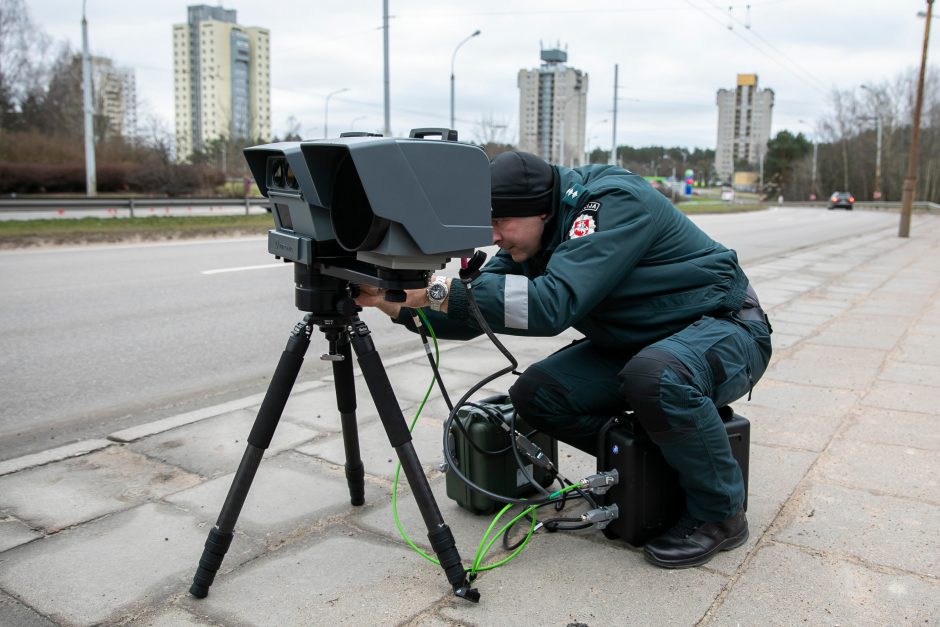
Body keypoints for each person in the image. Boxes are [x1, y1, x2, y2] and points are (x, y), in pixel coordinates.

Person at [355, 151, 772, 569]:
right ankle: (662, 463)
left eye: (501, 222)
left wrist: (435, 290)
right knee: (538, 395)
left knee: (658, 377)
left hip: (724, 331)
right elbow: (478, 308)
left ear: (539, 211)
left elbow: (551, 305)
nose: (494, 236)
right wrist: (393, 303)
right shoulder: (542, 230)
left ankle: (721, 514)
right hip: (642, 343)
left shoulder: (613, 202)